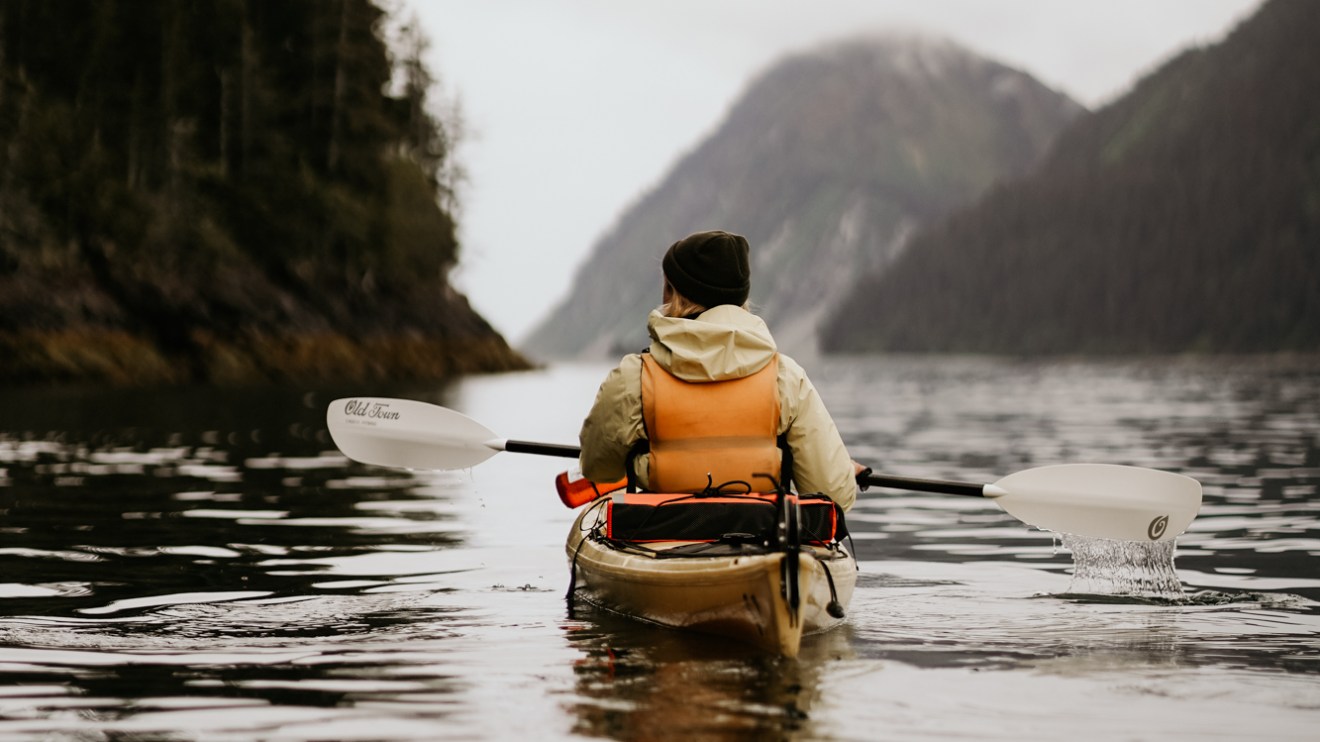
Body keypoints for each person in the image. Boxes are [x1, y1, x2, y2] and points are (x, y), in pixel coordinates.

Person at [578, 229, 859, 511]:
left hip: (661, 528)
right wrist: (842, 471)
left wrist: (642, 464)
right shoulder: (786, 377)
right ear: (741, 297)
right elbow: (832, 496)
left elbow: (598, 469)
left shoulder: (634, 377)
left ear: (672, 293)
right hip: (759, 529)